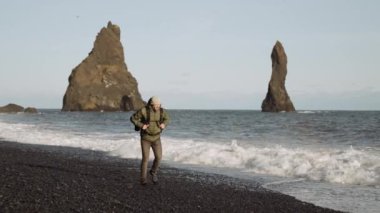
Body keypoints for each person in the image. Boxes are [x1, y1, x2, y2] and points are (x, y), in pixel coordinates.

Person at [130, 96, 170, 185]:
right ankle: (143, 179)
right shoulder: (143, 110)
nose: (158, 107)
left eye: (159, 105)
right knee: (145, 159)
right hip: (145, 138)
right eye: (156, 106)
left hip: (156, 138)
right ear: (151, 105)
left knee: (159, 157)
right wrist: (141, 125)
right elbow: (133, 118)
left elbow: (168, 119)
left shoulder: (162, 111)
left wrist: (164, 124)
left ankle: (153, 172)